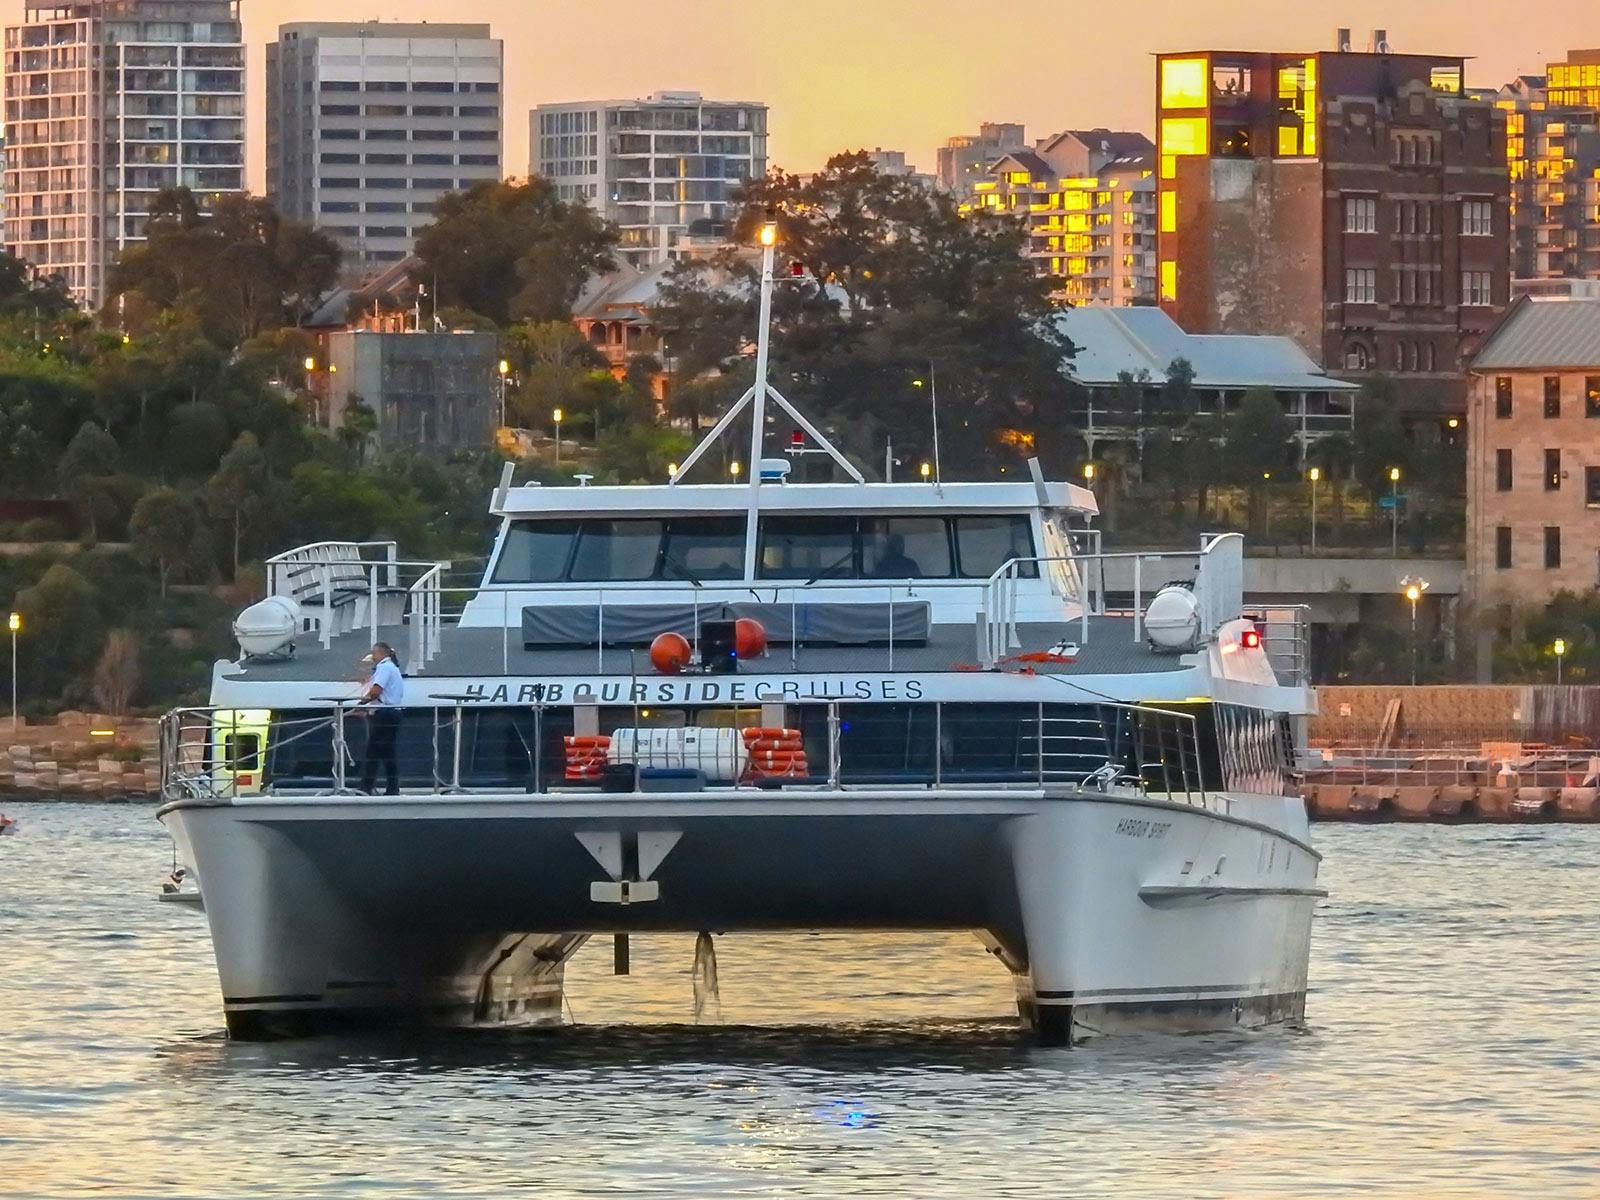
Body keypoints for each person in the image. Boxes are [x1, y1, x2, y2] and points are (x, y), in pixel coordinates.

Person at [357, 642, 405, 795]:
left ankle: (366, 787)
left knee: (373, 751)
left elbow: (376, 691)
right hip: (393, 713)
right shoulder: (393, 668)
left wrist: (360, 704)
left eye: (374, 653)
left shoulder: (384, 667)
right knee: (387, 753)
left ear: (382, 654)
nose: (373, 657)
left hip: (384, 715)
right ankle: (392, 788)